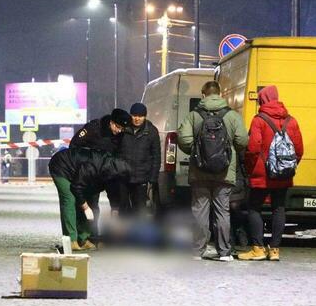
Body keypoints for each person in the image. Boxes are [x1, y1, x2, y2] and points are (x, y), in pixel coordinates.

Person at [177, 81, 248, 261]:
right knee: (222, 211)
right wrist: (229, 149)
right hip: (224, 172)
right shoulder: (232, 115)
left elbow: (184, 139)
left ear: (203, 94)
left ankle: (197, 251)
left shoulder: (194, 116)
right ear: (219, 94)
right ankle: (224, 252)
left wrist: (197, 151)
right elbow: (242, 140)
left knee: (199, 210)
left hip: (200, 171)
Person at [238, 85, 304, 261]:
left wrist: (251, 168)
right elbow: (299, 149)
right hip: (283, 174)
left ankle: (258, 249)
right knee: (279, 208)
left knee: (254, 208)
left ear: (263, 99)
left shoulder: (258, 120)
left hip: (262, 174)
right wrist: (288, 166)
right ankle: (275, 250)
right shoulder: (292, 121)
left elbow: (252, 148)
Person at [49, 148, 129, 251]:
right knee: (69, 200)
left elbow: (113, 195)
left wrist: (114, 216)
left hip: (78, 174)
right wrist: (85, 208)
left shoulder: (114, 175)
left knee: (90, 204)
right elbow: (76, 187)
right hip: (61, 166)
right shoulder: (92, 167)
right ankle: (71, 241)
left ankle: (83, 239)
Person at [70, 108, 131, 238]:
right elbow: (74, 145)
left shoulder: (120, 136)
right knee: (84, 205)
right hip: (86, 173)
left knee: (94, 205)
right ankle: (81, 236)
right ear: (111, 122)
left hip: (103, 175)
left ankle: (93, 236)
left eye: (122, 129)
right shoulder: (94, 128)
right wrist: (84, 165)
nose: (119, 131)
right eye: (118, 127)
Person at [118, 103, 161, 216]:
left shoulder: (151, 132)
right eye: (134, 115)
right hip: (123, 177)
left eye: (140, 116)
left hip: (141, 178)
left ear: (145, 117)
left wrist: (153, 178)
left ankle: (136, 232)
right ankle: (124, 232)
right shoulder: (123, 129)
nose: (137, 118)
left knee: (139, 210)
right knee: (123, 208)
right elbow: (116, 152)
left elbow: (156, 156)